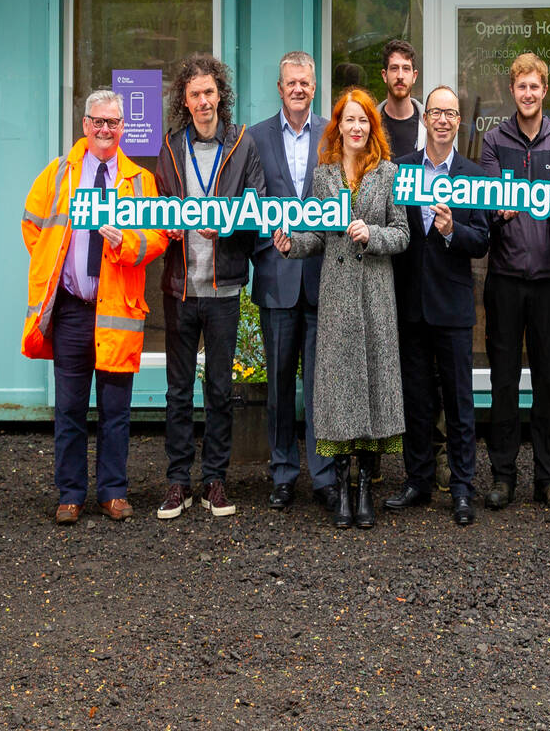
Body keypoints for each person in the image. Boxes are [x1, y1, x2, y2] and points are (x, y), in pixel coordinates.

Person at [20, 89, 168, 525]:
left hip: (117, 308)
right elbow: (32, 226)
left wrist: (129, 243)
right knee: (68, 408)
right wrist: (55, 265)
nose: (105, 130)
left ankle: (113, 492)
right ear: (85, 125)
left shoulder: (141, 180)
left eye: (113, 123)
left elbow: (158, 237)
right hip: (71, 309)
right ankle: (70, 495)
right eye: (98, 122)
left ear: (123, 128)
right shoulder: (60, 174)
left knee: (116, 410)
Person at [274, 88, 410, 529]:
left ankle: (366, 488)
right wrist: (291, 245)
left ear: (373, 127)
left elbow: (403, 235)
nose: (356, 127)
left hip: (374, 296)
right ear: (338, 126)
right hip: (335, 299)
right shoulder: (324, 175)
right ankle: (344, 487)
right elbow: (316, 237)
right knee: (341, 393)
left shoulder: (388, 173)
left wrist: (372, 234)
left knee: (372, 389)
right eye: (349, 120)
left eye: (364, 120)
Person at [154, 54, 265, 520]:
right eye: (195, 94)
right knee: (178, 391)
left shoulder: (242, 145)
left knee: (220, 389)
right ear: (185, 99)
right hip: (179, 286)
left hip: (223, 287)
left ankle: (215, 480)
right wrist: (169, 228)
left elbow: (257, 210)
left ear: (221, 95)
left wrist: (233, 226)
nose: (203, 101)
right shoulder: (169, 145)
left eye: (210, 92)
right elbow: (157, 206)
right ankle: (178, 480)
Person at [478, 52, 550, 512]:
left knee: (547, 382)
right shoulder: (493, 142)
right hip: (503, 278)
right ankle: (502, 475)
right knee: (502, 380)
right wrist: (496, 212)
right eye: (521, 87)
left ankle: (549, 477)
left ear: (544, 90)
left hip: (548, 280)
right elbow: (482, 204)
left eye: (535, 86)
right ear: (511, 91)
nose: (529, 94)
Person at [388, 86, 491, 525]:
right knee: (416, 399)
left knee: (459, 401)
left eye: (451, 113)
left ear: (458, 121)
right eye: (436, 113)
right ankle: (419, 480)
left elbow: (483, 238)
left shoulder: (473, 175)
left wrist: (451, 231)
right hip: (411, 304)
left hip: (452, 306)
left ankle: (463, 487)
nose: (444, 120)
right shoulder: (401, 170)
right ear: (424, 119)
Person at [248, 52, 334, 510]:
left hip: (322, 276)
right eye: (290, 83)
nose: (298, 89)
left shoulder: (332, 135)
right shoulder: (256, 137)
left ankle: (322, 476)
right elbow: (248, 199)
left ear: (314, 87)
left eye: (305, 82)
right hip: (277, 277)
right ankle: (282, 473)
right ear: (279, 88)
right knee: (280, 385)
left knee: (321, 385)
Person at [377, 39, 427, 165]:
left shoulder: (428, 124)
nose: (400, 76)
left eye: (406, 68)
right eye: (394, 68)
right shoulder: (369, 123)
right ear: (384, 75)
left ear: (414, 76)